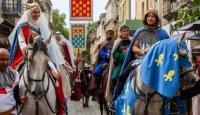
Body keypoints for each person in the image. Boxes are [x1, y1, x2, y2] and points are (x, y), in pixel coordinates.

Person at [8, 2, 66, 114]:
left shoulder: (41, 27)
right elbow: (22, 43)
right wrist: (28, 48)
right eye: (35, 12)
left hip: (41, 55)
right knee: (12, 76)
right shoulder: (22, 27)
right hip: (25, 56)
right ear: (29, 13)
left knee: (56, 74)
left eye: (39, 12)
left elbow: (46, 42)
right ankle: (12, 104)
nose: (37, 14)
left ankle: (60, 104)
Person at [113, 9, 170, 100]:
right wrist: (143, 52)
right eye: (148, 16)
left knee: (171, 77)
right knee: (122, 76)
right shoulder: (140, 31)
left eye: (152, 16)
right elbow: (134, 47)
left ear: (156, 19)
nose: (150, 18)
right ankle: (118, 99)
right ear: (146, 18)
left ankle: (172, 102)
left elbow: (167, 49)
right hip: (140, 60)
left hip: (158, 61)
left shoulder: (162, 33)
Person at [105, 25, 131, 102]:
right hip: (121, 64)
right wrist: (124, 56)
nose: (126, 32)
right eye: (124, 31)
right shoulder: (117, 42)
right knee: (114, 77)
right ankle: (115, 96)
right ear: (121, 32)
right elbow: (115, 53)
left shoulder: (132, 40)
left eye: (127, 31)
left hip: (131, 63)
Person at [0, 48, 28, 115]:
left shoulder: (14, 75)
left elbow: (16, 95)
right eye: (2, 59)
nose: (5, 62)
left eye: (7, 59)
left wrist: (21, 100)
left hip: (12, 112)